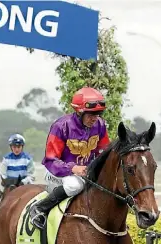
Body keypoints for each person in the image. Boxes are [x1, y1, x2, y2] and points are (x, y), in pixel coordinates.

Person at [29, 86, 110, 229]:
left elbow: (103, 153)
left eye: (98, 114)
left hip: (86, 173)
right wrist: (73, 168)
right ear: (79, 112)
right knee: (75, 185)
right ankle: (39, 208)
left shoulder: (100, 125)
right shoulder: (61, 126)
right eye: (91, 114)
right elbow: (50, 160)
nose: (94, 118)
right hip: (58, 173)